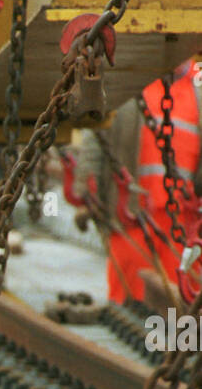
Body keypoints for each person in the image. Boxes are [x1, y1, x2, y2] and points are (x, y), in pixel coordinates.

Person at [75, 59, 202, 302]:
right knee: (128, 304)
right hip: (131, 217)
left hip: (184, 226)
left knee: (182, 307)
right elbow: (95, 133)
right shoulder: (130, 86)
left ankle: (180, 340)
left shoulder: (198, 90)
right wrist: (85, 186)